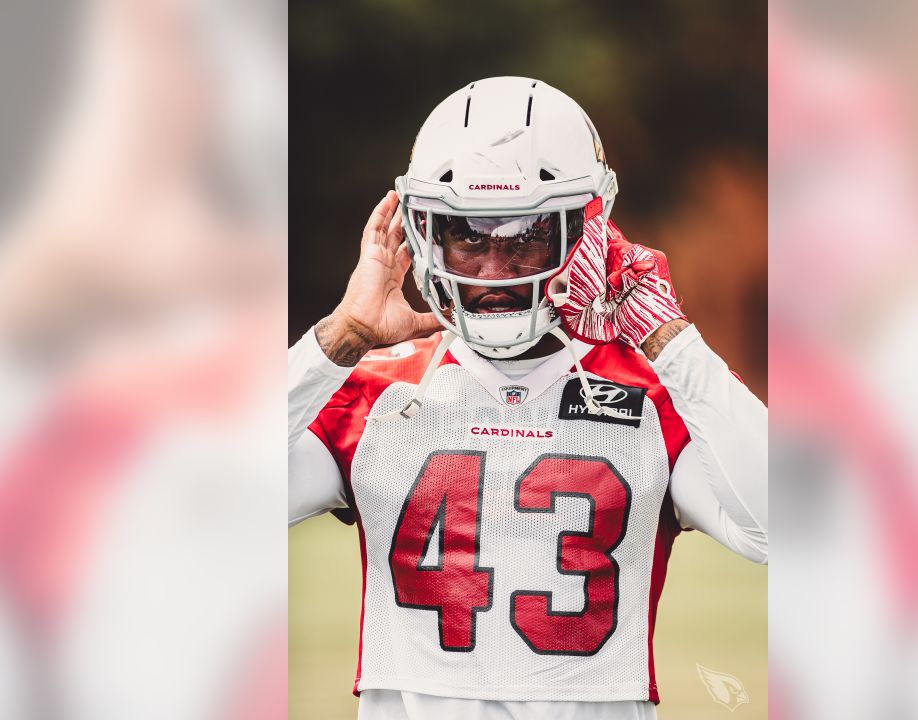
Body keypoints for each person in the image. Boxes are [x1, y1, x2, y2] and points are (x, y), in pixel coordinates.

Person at [288, 76, 767, 719]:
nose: (494, 270)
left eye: (525, 237)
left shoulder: (654, 395)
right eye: (469, 236)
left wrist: (670, 342)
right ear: (425, 234)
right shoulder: (370, 391)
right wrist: (338, 339)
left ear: (586, 231)